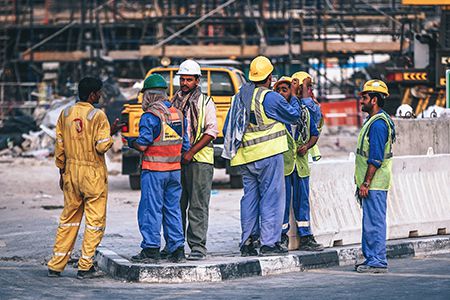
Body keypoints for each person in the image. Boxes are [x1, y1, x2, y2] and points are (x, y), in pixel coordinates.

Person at [222, 56, 301, 257]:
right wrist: (293, 95)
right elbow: (293, 115)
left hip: (245, 157)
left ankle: (248, 241)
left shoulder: (240, 96)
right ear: (269, 78)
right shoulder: (270, 97)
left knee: (250, 199)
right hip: (269, 155)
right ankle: (268, 243)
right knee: (272, 198)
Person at [48, 77, 121, 279]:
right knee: (94, 222)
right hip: (92, 175)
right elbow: (101, 146)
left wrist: (62, 173)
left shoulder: (65, 113)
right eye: (99, 92)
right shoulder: (98, 115)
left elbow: (59, 147)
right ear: (92, 95)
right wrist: (112, 132)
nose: (100, 96)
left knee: (68, 220)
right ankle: (85, 266)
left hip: (71, 172)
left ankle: (56, 264)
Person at [126, 74, 189, 264]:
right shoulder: (178, 114)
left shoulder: (150, 116)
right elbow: (184, 145)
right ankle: (177, 249)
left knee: (150, 209)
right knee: (173, 209)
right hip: (174, 171)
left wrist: (130, 142)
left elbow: (143, 145)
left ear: (149, 95)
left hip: (154, 170)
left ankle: (151, 249)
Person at [171, 59, 218, 260]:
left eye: (189, 79)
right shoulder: (173, 103)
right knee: (177, 205)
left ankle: (198, 247)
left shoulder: (205, 102)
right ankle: (176, 246)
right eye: (182, 79)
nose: (185, 83)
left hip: (200, 161)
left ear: (197, 81)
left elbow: (211, 131)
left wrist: (190, 152)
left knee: (198, 205)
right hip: (177, 160)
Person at [273, 77, 324, 252]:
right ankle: (280, 237)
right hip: (283, 166)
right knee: (282, 203)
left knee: (302, 201)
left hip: (300, 166)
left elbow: (314, 134)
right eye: (278, 90)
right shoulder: (275, 114)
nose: (281, 93)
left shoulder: (304, 113)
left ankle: (306, 236)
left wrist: (307, 146)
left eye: (285, 90)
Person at [354, 79, 395, 273]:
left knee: (375, 223)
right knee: (370, 222)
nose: (361, 100)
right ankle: (372, 258)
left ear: (374, 100)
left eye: (365, 97)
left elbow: (375, 158)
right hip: (374, 183)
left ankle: (377, 260)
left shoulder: (378, 125)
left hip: (375, 183)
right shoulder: (375, 121)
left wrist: (366, 182)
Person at [291, 71, 323, 162]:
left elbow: (310, 109)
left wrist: (304, 87)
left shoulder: (313, 107)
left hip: (307, 153)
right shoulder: (293, 105)